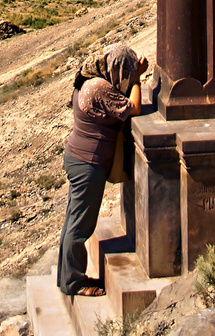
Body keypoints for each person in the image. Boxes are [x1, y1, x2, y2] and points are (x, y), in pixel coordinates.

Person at [57, 43, 148, 298]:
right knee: (80, 225)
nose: (127, 75)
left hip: (79, 158)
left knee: (73, 221)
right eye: (126, 70)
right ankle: (75, 283)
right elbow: (134, 107)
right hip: (88, 164)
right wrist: (138, 79)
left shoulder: (89, 80)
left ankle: (66, 278)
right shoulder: (100, 89)